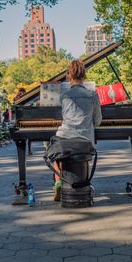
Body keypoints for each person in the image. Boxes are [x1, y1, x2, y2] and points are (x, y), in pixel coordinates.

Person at [53, 60, 102, 201]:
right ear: (84, 76)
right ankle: (83, 183)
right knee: (73, 147)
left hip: (66, 136)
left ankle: (58, 181)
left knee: (52, 150)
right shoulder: (92, 95)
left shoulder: (64, 96)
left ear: (69, 76)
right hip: (85, 140)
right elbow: (97, 121)